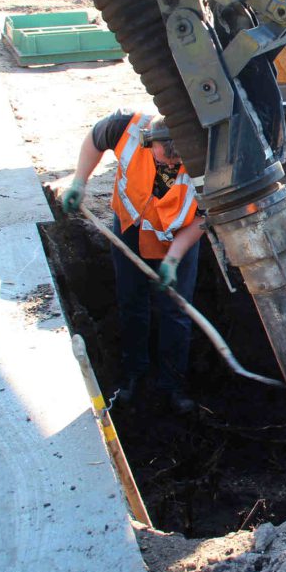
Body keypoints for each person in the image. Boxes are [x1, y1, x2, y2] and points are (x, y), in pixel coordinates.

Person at [61, 111, 204, 414]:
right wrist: (79, 182)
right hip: (130, 230)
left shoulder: (206, 155)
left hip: (178, 239)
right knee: (131, 303)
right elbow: (94, 140)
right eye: (165, 159)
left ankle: (172, 385)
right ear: (150, 142)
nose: (170, 167)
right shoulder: (126, 129)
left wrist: (174, 257)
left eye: (176, 164)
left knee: (176, 311)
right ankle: (134, 376)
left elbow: (205, 217)